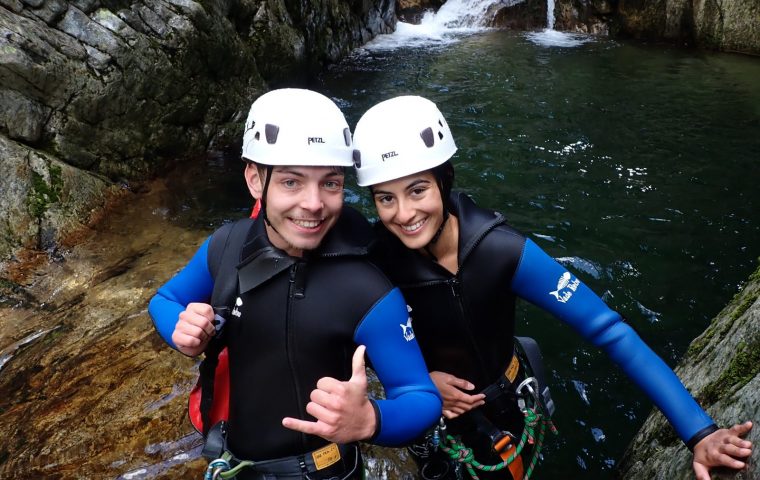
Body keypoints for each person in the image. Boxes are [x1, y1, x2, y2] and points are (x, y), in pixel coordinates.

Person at [351, 95, 753, 480]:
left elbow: (609, 331)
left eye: (417, 190)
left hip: (505, 407)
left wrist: (699, 432)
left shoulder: (500, 250)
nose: (404, 214)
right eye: (386, 198)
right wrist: (418, 382)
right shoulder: (376, 259)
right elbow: (337, 333)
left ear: (444, 179)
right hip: (424, 419)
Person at [148, 89, 442, 479]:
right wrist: (181, 329)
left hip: (326, 471)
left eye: (331, 184)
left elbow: (420, 397)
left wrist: (370, 419)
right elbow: (165, 299)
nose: (314, 204)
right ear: (255, 179)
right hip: (232, 460)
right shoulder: (227, 246)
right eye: (291, 182)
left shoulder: (365, 287)